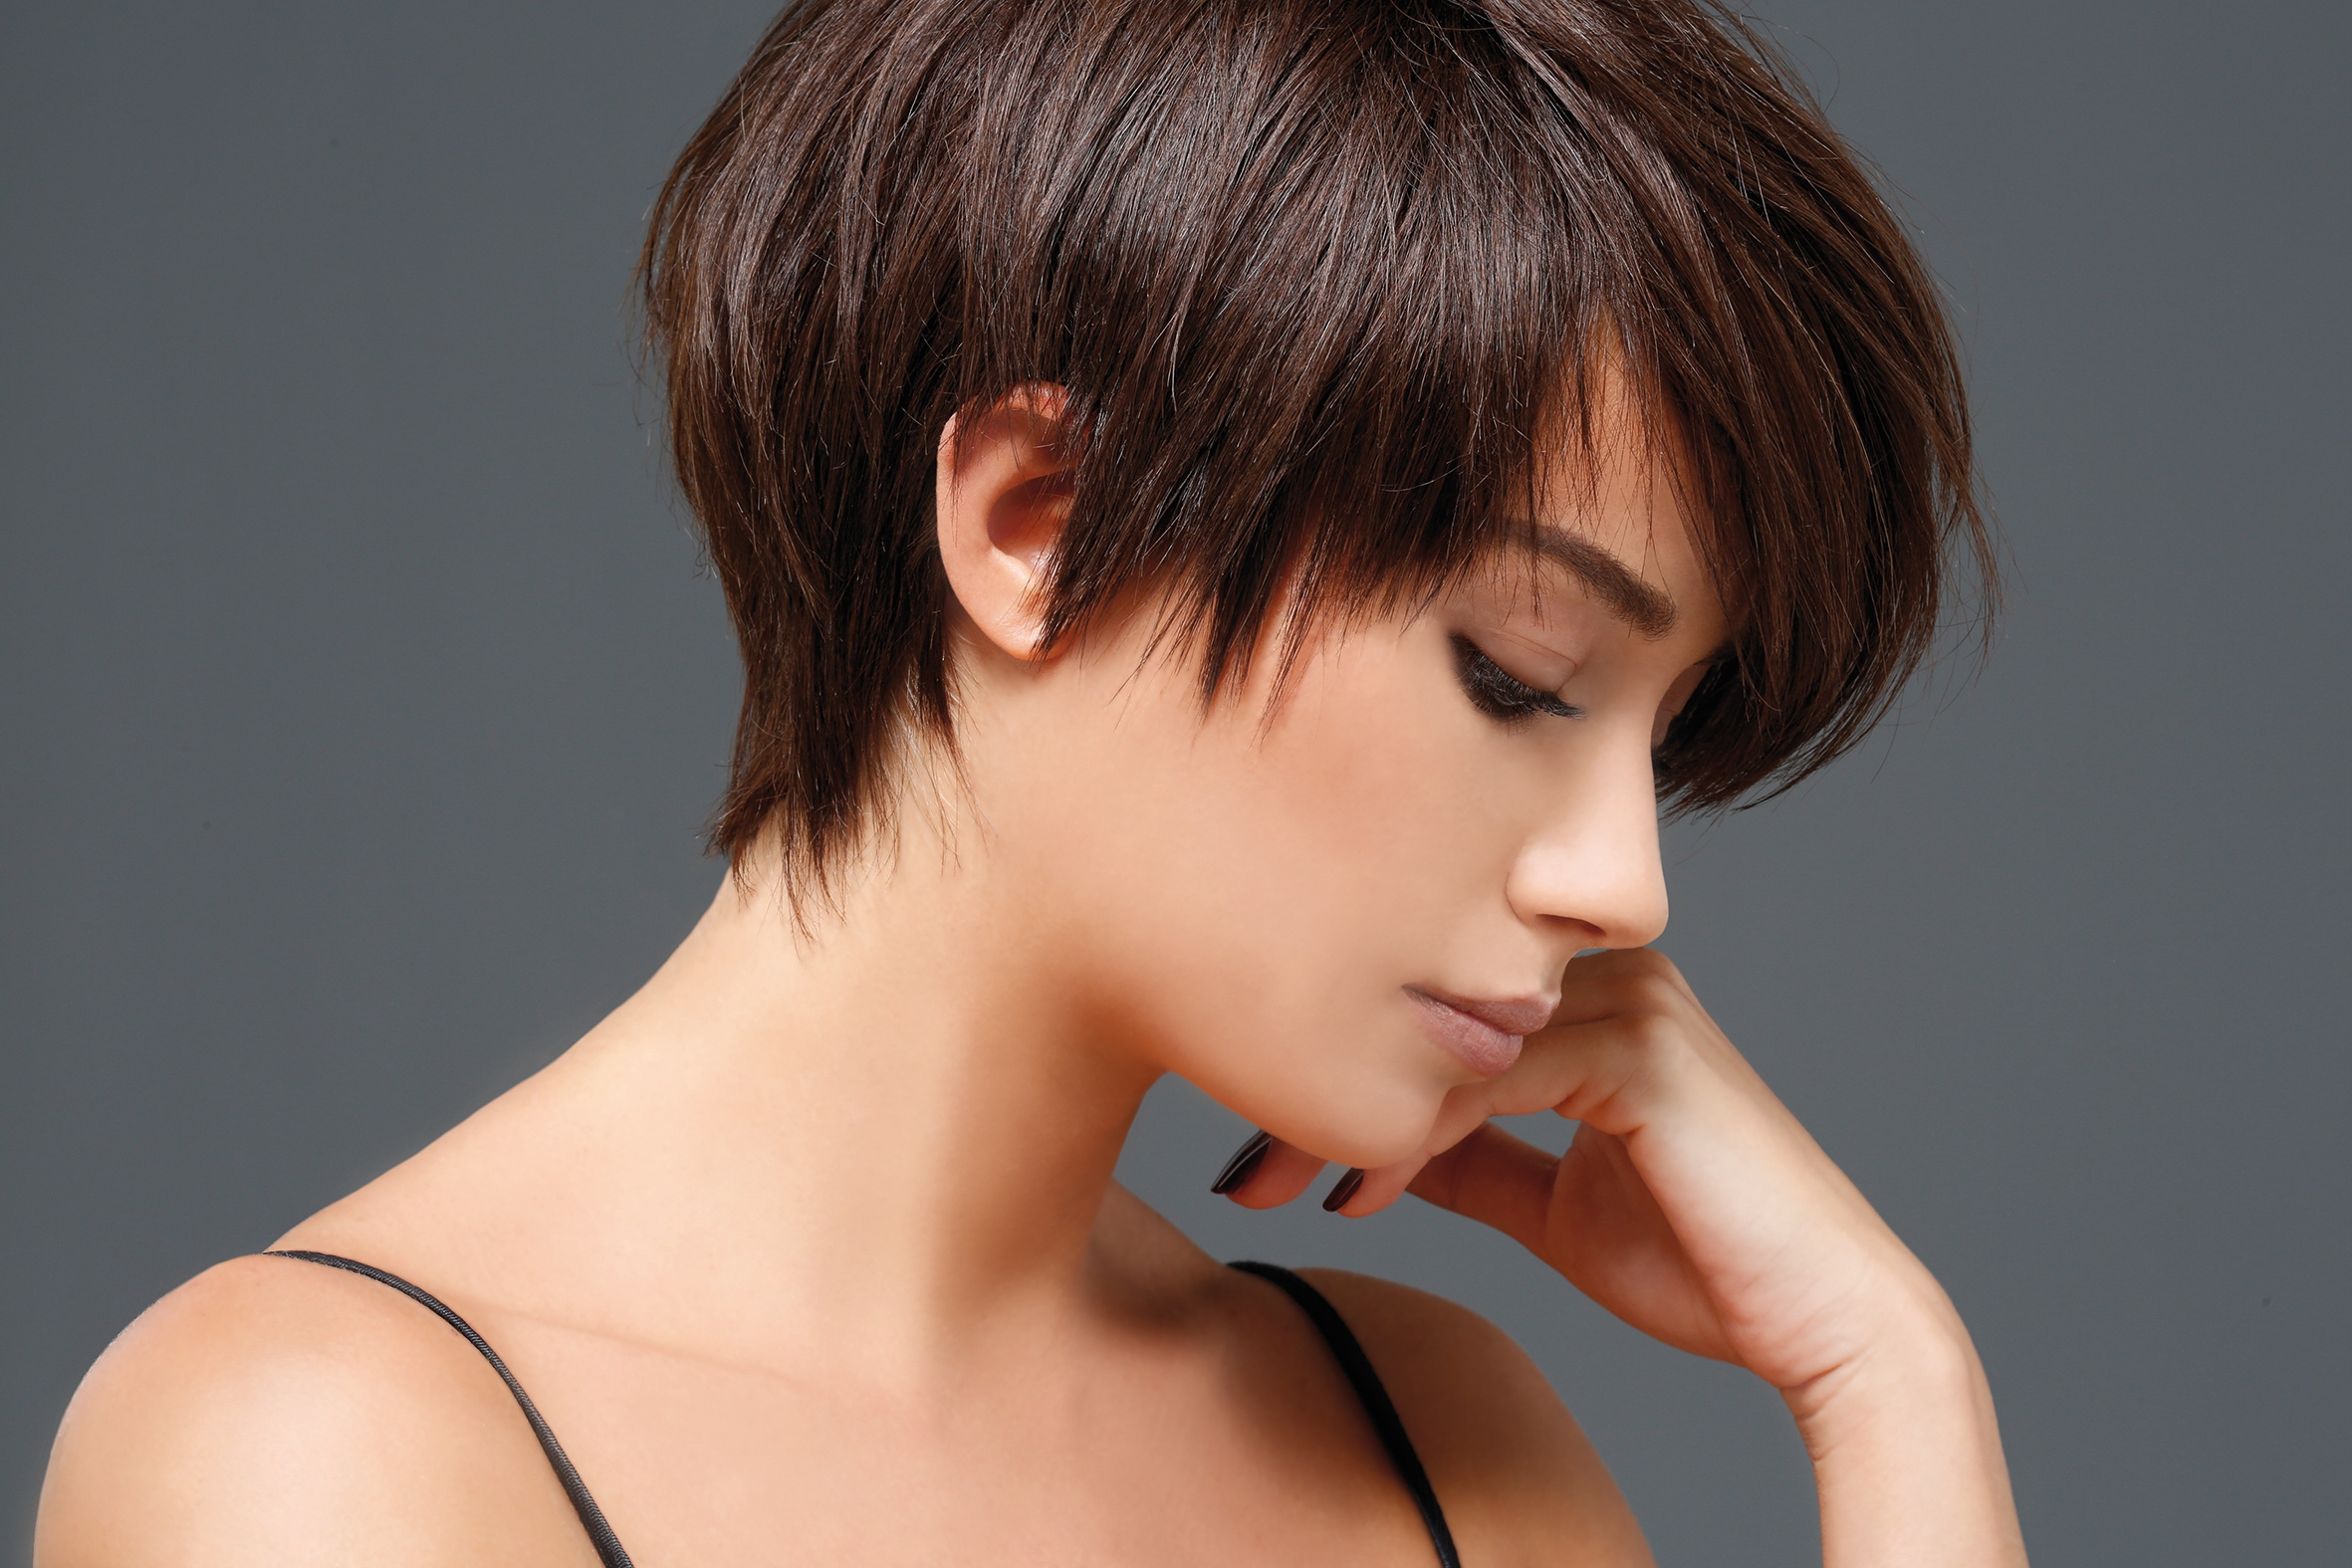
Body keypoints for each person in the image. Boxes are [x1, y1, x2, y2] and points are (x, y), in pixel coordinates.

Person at [35, 0, 2027, 1562]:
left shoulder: (1438, 1447)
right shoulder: (324, 1454)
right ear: (1041, 524)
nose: (1624, 886)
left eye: (1661, 734)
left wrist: (1886, 1377)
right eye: (1518, 672)